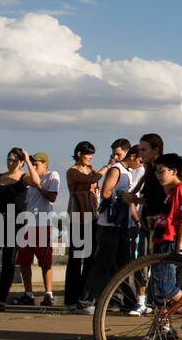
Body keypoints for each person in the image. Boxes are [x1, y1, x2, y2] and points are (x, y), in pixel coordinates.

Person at [80, 142, 139, 312]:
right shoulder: (117, 170)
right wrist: (124, 197)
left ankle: (128, 302)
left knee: (123, 265)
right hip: (109, 225)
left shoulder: (126, 171)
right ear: (133, 156)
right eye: (140, 161)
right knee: (103, 264)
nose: (140, 165)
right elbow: (106, 192)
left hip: (119, 224)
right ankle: (87, 301)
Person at [145, 153, 182, 340]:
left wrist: (179, 247)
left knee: (165, 286)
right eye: (156, 171)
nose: (158, 175)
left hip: (169, 242)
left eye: (162, 171)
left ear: (174, 171)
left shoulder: (181, 189)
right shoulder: (170, 192)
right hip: (160, 239)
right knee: (157, 288)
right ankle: (164, 327)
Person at [12, 152, 61, 307]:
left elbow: (52, 197)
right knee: (24, 261)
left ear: (45, 164)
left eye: (36, 164)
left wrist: (39, 185)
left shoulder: (52, 175)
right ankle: (28, 293)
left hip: (43, 224)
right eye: (31, 164)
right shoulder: (29, 179)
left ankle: (48, 294)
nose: (33, 166)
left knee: (45, 262)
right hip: (28, 224)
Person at [123, 133, 162, 316]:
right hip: (147, 221)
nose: (141, 153)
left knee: (157, 263)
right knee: (142, 261)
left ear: (156, 150)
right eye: (140, 149)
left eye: (144, 149)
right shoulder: (148, 170)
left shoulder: (162, 169)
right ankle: (142, 301)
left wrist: (138, 200)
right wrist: (136, 197)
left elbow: (160, 198)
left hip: (159, 222)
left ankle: (157, 302)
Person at [0, 149, 30, 310]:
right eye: (9, 159)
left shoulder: (23, 177)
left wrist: (27, 160)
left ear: (20, 162)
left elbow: (36, 181)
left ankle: (1, 298)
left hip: (16, 221)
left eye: (14, 160)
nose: (10, 162)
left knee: (9, 260)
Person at [63, 141, 99, 310]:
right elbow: (90, 179)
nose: (90, 157)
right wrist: (107, 168)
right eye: (87, 154)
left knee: (90, 258)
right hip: (77, 217)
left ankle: (83, 297)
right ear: (79, 154)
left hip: (92, 216)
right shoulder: (72, 171)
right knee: (76, 258)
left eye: (91, 154)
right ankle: (70, 299)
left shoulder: (91, 169)